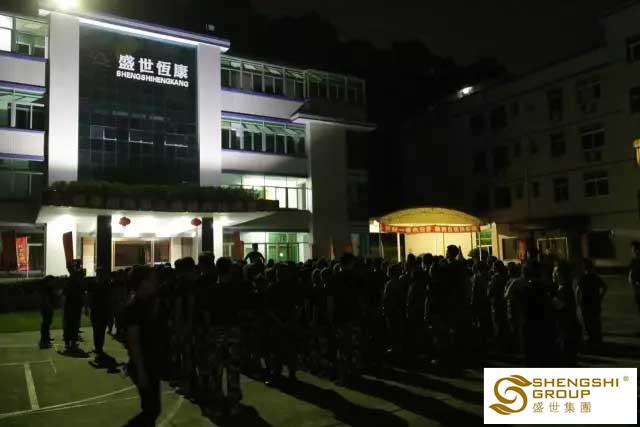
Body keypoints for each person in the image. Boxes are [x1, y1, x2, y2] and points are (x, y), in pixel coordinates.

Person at [124, 266, 166, 427]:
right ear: (142, 283)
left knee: (152, 409)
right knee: (151, 410)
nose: (156, 282)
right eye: (152, 280)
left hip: (152, 362)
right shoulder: (134, 308)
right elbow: (134, 342)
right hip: (144, 364)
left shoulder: (151, 303)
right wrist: (141, 371)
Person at [208, 257, 247, 416]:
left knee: (216, 370)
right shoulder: (237, 290)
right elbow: (242, 311)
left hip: (216, 331)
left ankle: (217, 403)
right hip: (233, 331)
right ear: (230, 270)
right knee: (233, 369)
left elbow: (206, 313)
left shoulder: (211, 290)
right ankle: (233, 403)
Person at [574, 258, 607, 349]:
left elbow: (577, 291)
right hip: (595, 302)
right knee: (596, 320)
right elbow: (605, 287)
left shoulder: (582, 278)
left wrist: (577, 302)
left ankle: (592, 338)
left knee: (588, 321)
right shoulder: (595, 277)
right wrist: (601, 296)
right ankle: (598, 338)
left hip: (585, 303)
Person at [63, 260, 86, 353]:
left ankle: (69, 342)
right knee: (72, 324)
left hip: (72, 304)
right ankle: (71, 342)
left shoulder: (71, 280)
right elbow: (82, 293)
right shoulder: (74, 280)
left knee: (70, 324)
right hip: (73, 305)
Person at [88, 267, 111, 358]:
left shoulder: (104, 284)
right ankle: (98, 347)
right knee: (98, 330)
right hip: (98, 310)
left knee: (99, 330)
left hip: (100, 310)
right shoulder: (101, 284)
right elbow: (90, 296)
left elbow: (90, 296)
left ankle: (98, 347)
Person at [39, 276, 57, 349]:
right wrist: (49, 307)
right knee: (45, 324)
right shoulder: (46, 288)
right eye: (52, 281)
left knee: (47, 324)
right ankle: (44, 341)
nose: (54, 282)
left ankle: (47, 338)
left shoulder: (49, 288)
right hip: (46, 308)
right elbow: (46, 299)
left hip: (47, 308)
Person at [628, 241, 640, 314]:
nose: (631, 251)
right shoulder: (633, 260)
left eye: (632, 248)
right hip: (635, 283)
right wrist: (630, 277)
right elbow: (631, 269)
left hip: (638, 282)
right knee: (637, 298)